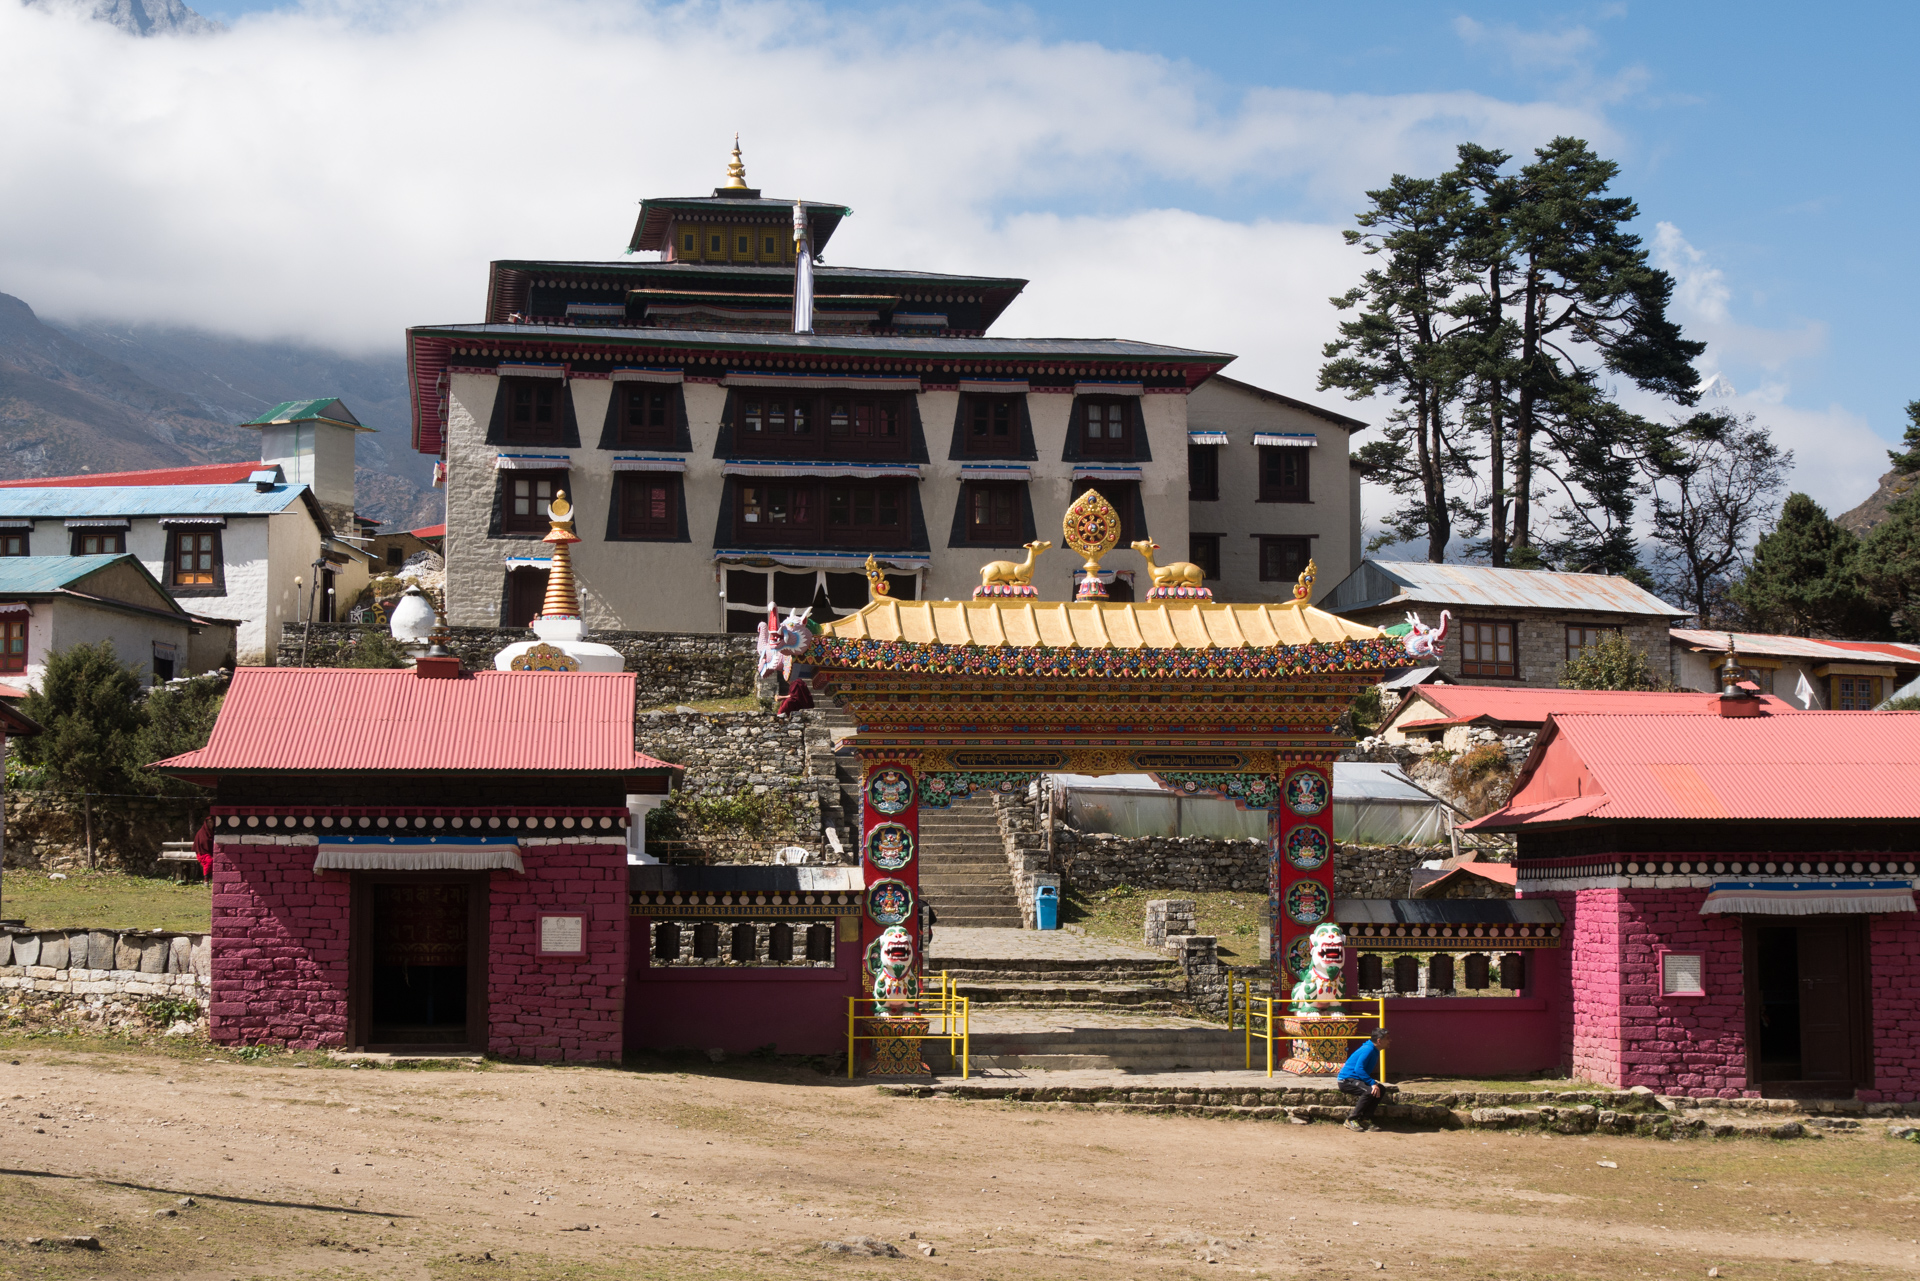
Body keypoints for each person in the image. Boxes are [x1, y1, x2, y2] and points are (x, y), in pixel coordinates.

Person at [1338, 1028, 1391, 1131]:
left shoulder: (1374, 1050)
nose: (1390, 1041)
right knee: (1370, 1091)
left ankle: (1364, 1120)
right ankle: (1351, 1120)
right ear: (1379, 1041)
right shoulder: (1368, 1049)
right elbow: (1358, 1069)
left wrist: (1373, 1083)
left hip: (1355, 1079)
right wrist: (1372, 1083)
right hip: (1346, 1080)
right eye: (1387, 1038)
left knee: (1380, 1089)